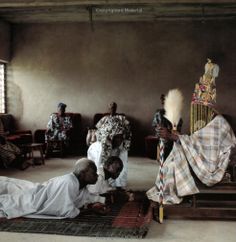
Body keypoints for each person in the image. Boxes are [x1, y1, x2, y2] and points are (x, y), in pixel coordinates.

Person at [147, 59, 236, 205]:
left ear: (208, 106)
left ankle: (180, 191)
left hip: (216, 162)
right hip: (201, 156)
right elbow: (195, 141)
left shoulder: (218, 122)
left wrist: (173, 136)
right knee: (172, 162)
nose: (197, 110)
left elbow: (210, 147)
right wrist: (174, 137)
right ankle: (168, 189)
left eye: (199, 106)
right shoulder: (203, 121)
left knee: (174, 162)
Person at [0, 158, 105, 219]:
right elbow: (67, 212)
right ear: (83, 173)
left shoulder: (82, 186)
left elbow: (86, 199)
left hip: (39, 188)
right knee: (12, 199)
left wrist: (97, 202)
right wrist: (91, 210)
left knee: (14, 187)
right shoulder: (69, 182)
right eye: (93, 173)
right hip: (35, 198)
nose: (96, 176)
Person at [87, 102, 132, 188]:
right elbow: (99, 166)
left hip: (115, 136)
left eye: (114, 107)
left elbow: (128, 126)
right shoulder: (104, 119)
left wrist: (119, 185)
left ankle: (116, 182)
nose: (112, 109)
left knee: (120, 164)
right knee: (100, 174)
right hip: (105, 142)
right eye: (111, 107)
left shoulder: (121, 118)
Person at [152, 94, 183, 160]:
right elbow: (157, 127)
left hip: (174, 140)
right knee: (164, 161)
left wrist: (172, 132)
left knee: (173, 161)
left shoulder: (176, 114)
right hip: (164, 141)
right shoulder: (160, 113)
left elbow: (178, 128)